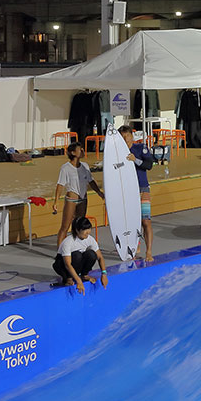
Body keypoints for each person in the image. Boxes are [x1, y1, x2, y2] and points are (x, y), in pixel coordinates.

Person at [51, 142, 105, 246]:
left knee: (79, 226)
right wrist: (56, 201)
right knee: (65, 226)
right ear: (73, 153)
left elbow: (91, 181)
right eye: (80, 149)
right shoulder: (65, 168)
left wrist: (99, 192)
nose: (83, 151)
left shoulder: (85, 166)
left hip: (83, 199)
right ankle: (59, 251)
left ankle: (76, 247)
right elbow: (60, 185)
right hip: (71, 199)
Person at [118, 125, 155, 262]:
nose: (125, 140)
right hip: (127, 191)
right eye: (122, 138)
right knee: (131, 223)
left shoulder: (141, 148)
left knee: (146, 221)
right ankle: (133, 248)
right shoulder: (118, 152)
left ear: (131, 136)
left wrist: (135, 160)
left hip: (142, 188)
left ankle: (149, 251)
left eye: (126, 137)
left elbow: (149, 165)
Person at [53, 216, 109, 294]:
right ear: (77, 230)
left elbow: (100, 257)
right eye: (85, 231)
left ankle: (84, 275)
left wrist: (104, 273)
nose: (88, 233)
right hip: (62, 265)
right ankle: (68, 278)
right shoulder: (68, 242)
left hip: (76, 263)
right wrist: (78, 281)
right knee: (77, 255)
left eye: (89, 230)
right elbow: (67, 265)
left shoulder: (90, 239)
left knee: (91, 254)